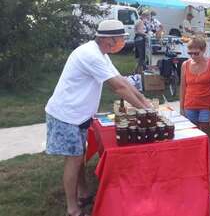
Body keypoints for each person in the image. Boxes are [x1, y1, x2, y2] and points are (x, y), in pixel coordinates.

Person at [45, 20, 151, 216]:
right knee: (74, 159)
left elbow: (122, 81)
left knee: (79, 156)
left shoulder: (101, 54)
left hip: (79, 114)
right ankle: (73, 208)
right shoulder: (90, 55)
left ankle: (84, 193)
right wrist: (146, 111)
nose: (122, 42)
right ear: (108, 39)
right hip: (67, 114)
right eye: (120, 39)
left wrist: (144, 101)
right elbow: (117, 88)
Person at [179, 37, 210, 137]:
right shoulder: (185, 65)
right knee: (191, 134)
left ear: (204, 50)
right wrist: (181, 108)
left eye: (196, 53)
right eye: (190, 53)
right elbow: (183, 87)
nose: (193, 56)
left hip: (206, 105)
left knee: (206, 135)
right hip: (189, 105)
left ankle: (208, 152)